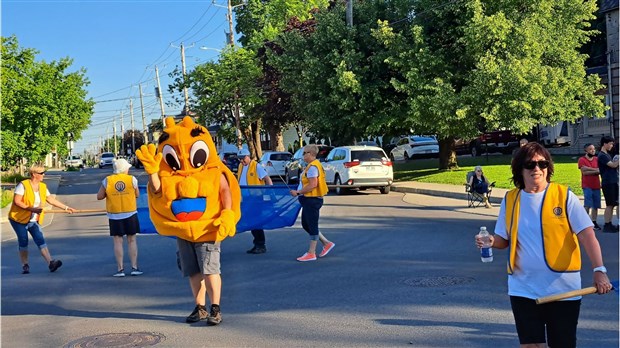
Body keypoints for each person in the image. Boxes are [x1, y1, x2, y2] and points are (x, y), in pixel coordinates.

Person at [475, 142, 613, 348]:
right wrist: (492, 241)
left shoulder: (564, 195)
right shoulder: (511, 199)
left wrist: (599, 270)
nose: (537, 169)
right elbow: (504, 240)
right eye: (530, 164)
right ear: (520, 169)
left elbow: (587, 235)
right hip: (523, 288)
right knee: (531, 346)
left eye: (543, 163)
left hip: (563, 289)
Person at [135, 116, 241, 326]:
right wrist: (153, 172)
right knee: (192, 271)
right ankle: (200, 307)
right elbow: (157, 190)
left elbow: (225, 190)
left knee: (211, 270)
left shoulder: (213, 171)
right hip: (184, 232)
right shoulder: (168, 176)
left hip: (208, 229)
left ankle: (215, 308)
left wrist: (227, 213)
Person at [8, 164, 76, 274]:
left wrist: (66, 208)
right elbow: (17, 201)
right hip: (18, 219)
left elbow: (51, 200)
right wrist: (31, 209)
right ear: (34, 174)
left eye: (44, 173)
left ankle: (51, 263)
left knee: (40, 239)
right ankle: (25, 265)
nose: (43, 175)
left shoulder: (43, 187)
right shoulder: (23, 185)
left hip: (34, 219)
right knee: (23, 239)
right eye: (41, 173)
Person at [96, 158, 143, 277]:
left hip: (114, 214)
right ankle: (134, 267)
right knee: (132, 240)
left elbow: (99, 196)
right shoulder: (132, 179)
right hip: (130, 213)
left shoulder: (107, 180)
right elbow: (137, 194)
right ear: (124, 169)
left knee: (118, 241)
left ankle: (120, 269)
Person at [289, 144, 335, 262]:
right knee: (306, 224)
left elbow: (312, 185)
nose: (303, 155)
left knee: (312, 225)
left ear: (311, 154)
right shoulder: (311, 166)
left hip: (312, 200)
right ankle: (326, 243)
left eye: (305, 153)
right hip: (309, 200)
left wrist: (298, 192)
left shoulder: (313, 167)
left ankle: (311, 253)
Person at [236, 148, 273, 254]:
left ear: (248, 157)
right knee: (251, 222)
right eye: (239, 159)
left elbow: (267, 179)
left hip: (256, 198)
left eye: (243, 159)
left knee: (256, 222)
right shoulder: (240, 167)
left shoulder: (256, 166)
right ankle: (257, 243)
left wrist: (270, 192)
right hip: (246, 199)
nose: (241, 161)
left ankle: (261, 245)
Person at [578, 144, 602, 230]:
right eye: (590, 149)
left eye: (594, 149)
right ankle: (584, 222)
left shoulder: (596, 159)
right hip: (587, 185)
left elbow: (600, 170)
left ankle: (594, 221)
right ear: (586, 151)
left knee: (596, 205)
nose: (593, 151)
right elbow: (584, 172)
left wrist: (589, 169)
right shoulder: (582, 160)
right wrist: (596, 170)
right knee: (587, 204)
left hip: (596, 185)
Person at [598, 136, 619, 233]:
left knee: (613, 204)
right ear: (604, 144)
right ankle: (607, 224)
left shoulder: (607, 154)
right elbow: (613, 165)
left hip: (613, 181)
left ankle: (610, 223)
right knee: (609, 204)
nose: (611, 146)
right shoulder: (602, 155)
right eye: (610, 144)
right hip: (608, 182)